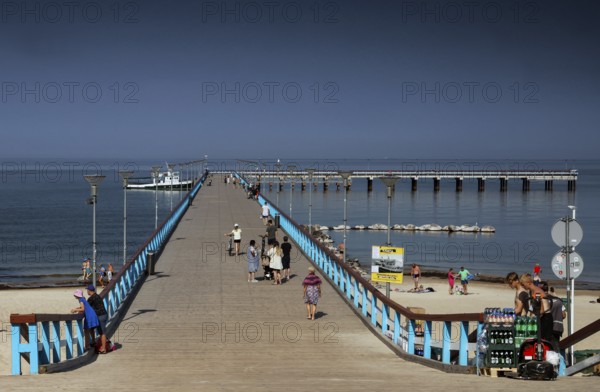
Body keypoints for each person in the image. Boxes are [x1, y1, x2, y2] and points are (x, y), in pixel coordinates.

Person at [520, 274, 553, 343]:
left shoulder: (536, 292)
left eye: (523, 284)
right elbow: (533, 305)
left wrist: (533, 317)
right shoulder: (531, 291)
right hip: (542, 316)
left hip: (546, 318)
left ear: (529, 283)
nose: (522, 286)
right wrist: (529, 313)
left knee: (543, 341)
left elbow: (541, 310)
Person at [542, 281, 566, 350]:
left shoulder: (543, 300)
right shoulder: (558, 300)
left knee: (546, 348)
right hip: (558, 328)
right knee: (555, 348)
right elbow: (564, 315)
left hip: (546, 328)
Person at [86, 284, 108, 354]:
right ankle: (93, 342)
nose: (87, 291)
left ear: (89, 291)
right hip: (104, 314)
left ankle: (104, 349)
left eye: (87, 290)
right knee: (92, 328)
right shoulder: (98, 296)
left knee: (102, 333)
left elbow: (86, 307)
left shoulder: (91, 298)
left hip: (99, 316)